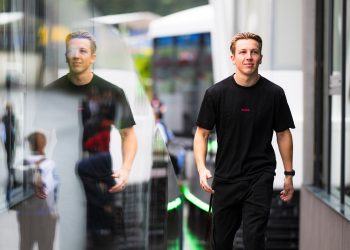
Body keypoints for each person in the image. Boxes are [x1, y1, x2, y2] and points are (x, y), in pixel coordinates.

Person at [193, 32, 295, 250]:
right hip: (226, 178)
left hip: (260, 175)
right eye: (243, 52)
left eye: (254, 52)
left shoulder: (274, 94)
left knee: (255, 239)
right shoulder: (216, 94)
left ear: (260, 57)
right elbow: (202, 134)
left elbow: (283, 133)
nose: (249, 57)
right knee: (221, 243)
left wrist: (288, 174)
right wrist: (201, 168)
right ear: (233, 58)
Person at [45, 31, 138, 247]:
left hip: (100, 174)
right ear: (66, 55)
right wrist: (40, 167)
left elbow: (128, 135)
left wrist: (125, 170)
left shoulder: (112, 93)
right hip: (66, 174)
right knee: (70, 235)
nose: (76, 55)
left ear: (93, 57)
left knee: (102, 236)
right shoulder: (52, 92)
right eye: (71, 50)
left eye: (83, 51)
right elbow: (41, 133)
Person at [16, 131, 59, 250]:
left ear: (29, 145)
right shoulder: (51, 165)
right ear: (44, 145)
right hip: (45, 215)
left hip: (25, 215)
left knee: (25, 245)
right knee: (46, 246)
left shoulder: (22, 164)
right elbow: (54, 192)